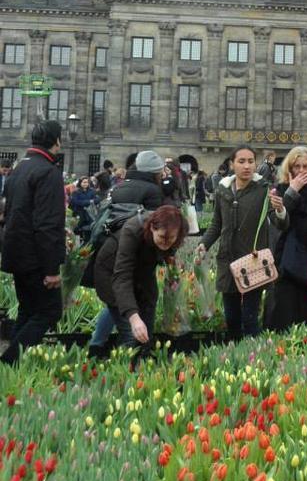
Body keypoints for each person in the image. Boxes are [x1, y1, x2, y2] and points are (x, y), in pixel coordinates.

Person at [196, 146, 288, 340]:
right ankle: (234, 357)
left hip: (252, 261)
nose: (247, 166)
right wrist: (204, 244)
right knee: (231, 317)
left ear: (256, 164)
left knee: (250, 316)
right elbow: (216, 224)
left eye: (250, 161)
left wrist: (280, 210)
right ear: (232, 164)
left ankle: (253, 358)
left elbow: (281, 223)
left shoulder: (264, 190)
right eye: (241, 161)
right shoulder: (223, 190)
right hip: (228, 260)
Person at [87, 150, 165, 357]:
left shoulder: (119, 186)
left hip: (109, 249)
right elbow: (155, 228)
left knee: (116, 301)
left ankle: (97, 343)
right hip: (133, 254)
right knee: (129, 305)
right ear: (155, 172)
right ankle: (133, 357)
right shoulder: (152, 191)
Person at [0, 121, 65, 365]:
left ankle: (11, 367)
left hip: (16, 251)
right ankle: (8, 361)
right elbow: (47, 224)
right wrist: (51, 269)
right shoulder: (48, 172)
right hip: (36, 256)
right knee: (50, 312)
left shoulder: (20, 168)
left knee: (28, 310)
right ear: (56, 141)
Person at [94, 206, 187, 354]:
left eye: (171, 239)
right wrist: (133, 318)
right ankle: (123, 365)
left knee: (146, 325)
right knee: (131, 329)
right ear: (152, 228)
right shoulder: (132, 230)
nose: (165, 243)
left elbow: (168, 248)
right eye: (162, 237)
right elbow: (122, 277)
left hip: (142, 273)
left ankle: (143, 361)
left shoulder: (176, 232)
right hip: (112, 273)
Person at [265, 147, 307, 331]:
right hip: (287, 255)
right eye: (297, 166)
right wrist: (293, 191)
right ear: (290, 168)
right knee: (284, 306)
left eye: (305, 166)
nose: (301, 171)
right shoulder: (281, 188)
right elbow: (278, 221)